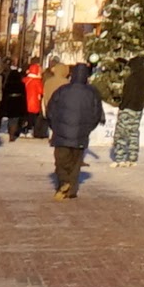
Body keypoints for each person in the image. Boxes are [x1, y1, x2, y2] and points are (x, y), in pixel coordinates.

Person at [41, 58, 101, 201]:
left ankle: (63, 182)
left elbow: (51, 110)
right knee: (75, 163)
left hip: (61, 133)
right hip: (81, 134)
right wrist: (87, 129)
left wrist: (54, 126)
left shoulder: (62, 90)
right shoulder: (92, 93)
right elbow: (97, 114)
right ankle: (72, 190)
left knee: (61, 161)